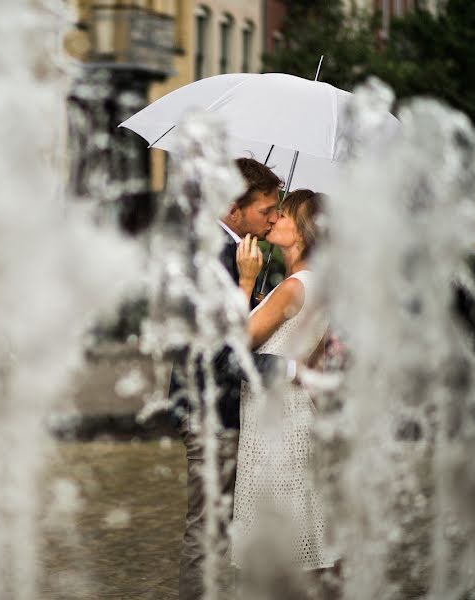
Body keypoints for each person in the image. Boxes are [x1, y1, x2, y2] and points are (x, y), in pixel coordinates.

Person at [173, 158, 297, 600]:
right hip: (212, 412)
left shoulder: (236, 252)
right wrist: (296, 372)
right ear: (233, 210)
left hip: (225, 410)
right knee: (206, 530)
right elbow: (220, 353)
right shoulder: (212, 257)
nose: (272, 218)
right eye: (266, 210)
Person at [230, 189, 339, 579]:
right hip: (292, 417)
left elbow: (238, 347)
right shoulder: (312, 285)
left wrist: (245, 283)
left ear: (304, 233)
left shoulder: (293, 288)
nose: (274, 218)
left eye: (285, 215)